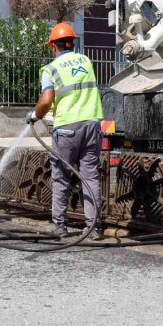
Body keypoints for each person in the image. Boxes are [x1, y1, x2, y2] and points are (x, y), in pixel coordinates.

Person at [27, 23, 104, 239]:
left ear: (53, 45)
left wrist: (35, 116)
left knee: (61, 177)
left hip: (67, 128)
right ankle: (94, 228)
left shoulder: (50, 69)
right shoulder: (86, 61)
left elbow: (47, 100)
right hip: (91, 124)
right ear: (72, 43)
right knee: (90, 177)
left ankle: (60, 225)